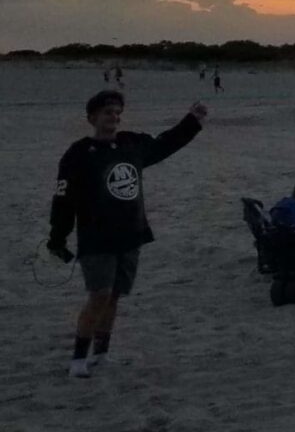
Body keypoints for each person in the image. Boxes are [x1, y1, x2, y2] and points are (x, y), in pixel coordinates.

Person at [47, 90, 209, 379]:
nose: (114, 117)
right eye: (108, 112)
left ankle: (101, 354)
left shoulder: (131, 144)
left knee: (114, 297)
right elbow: (63, 200)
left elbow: (165, 144)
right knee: (99, 295)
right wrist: (58, 238)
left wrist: (192, 121)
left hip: (131, 234)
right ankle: (77, 360)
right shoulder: (78, 154)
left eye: (118, 112)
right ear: (92, 118)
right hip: (96, 237)